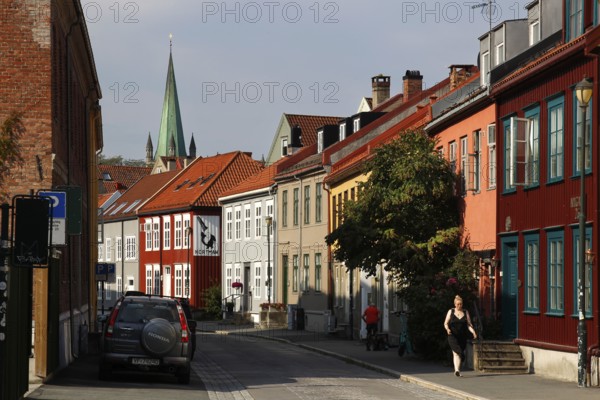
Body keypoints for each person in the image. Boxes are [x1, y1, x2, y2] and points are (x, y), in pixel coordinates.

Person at [444, 295, 477, 377]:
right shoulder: (451, 311)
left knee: (457, 353)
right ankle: (457, 370)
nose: (459, 306)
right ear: (455, 304)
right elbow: (445, 323)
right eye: (458, 304)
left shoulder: (465, 312)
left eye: (461, 304)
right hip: (452, 335)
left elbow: (469, 325)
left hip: (462, 336)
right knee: (456, 352)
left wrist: (473, 332)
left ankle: (457, 370)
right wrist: (447, 329)